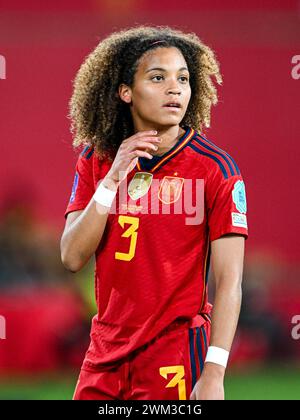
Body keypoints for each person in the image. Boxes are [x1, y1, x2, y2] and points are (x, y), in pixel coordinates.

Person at [60, 25, 248, 400]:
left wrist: (214, 372)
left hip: (174, 354)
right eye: (158, 78)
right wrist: (112, 180)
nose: (174, 88)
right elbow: (71, 256)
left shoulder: (215, 169)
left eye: (183, 78)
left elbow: (229, 281)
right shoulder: (96, 160)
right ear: (126, 92)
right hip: (104, 354)